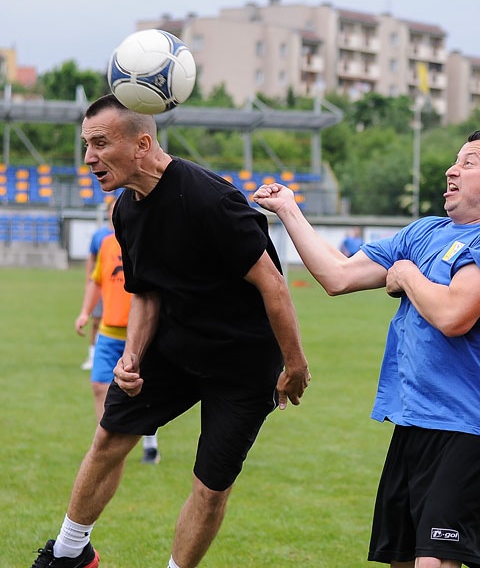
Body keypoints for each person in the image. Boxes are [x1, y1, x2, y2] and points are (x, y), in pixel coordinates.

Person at [32, 94, 311, 568]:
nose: (88, 158)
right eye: (86, 145)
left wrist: (295, 364)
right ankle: (70, 551)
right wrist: (134, 354)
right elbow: (147, 291)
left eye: (100, 144)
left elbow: (273, 284)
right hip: (175, 350)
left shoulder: (209, 198)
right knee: (109, 438)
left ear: (142, 143)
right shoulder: (126, 211)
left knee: (210, 487)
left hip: (242, 367)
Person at [254, 130, 480, 568]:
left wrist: (406, 273)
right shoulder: (425, 231)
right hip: (413, 422)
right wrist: (289, 208)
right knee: (403, 560)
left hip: (469, 429)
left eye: (469, 162)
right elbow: (338, 276)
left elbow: (454, 315)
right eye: (455, 160)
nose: (451, 170)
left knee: (434, 563)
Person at [74, 210, 161, 465]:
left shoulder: (149, 242)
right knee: (99, 385)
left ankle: (150, 444)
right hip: (109, 332)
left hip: (140, 334)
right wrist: (85, 312)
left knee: (143, 391)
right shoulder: (106, 244)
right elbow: (97, 281)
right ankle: (105, 443)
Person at [80, 202, 114, 370]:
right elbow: (92, 258)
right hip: (101, 285)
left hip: (118, 288)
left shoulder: (128, 232)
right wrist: (89, 281)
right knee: (96, 321)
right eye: (112, 209)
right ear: (107, 212)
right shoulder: (100, 235)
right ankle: (93, 356)